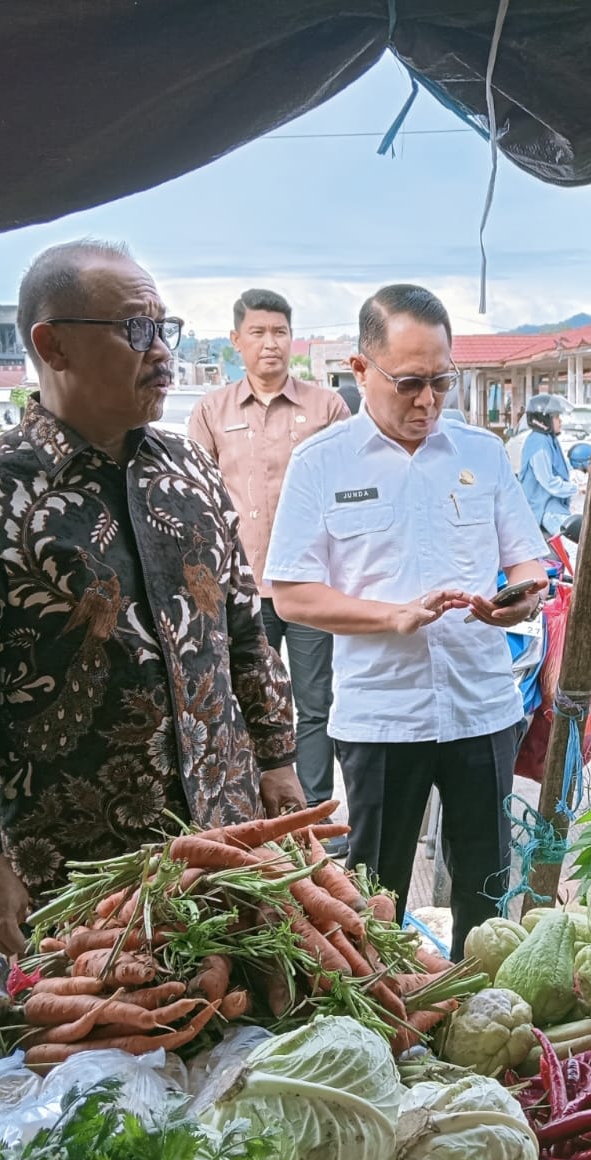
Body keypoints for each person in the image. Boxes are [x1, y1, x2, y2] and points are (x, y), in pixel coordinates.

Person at [0, 239, 303, 955]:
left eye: (164, 327)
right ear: (52, 345)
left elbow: (243, 630)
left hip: (226, 841)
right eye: (135, 328)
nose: (161, 351)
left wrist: (277, 759)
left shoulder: (190, 469)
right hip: (80, 875)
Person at [267, 283, 547, 952]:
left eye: (442, 382)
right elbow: (292, 595)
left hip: (481, 706)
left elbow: (529, 563)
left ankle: (479, 1001)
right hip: (382, 715)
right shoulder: (321, 463)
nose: (427, 401)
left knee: (486, 885)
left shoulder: (481, 453)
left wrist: (519, 598)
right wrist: (388, 617)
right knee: (376, 895)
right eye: (410, 383)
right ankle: (386, 1003)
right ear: (360, 369)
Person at [187, 289, 350, 815]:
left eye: (280, 331)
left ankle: (313, 812)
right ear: (236, 341)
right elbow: (196, 498)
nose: (270, 343)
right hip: (240, 589)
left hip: (309, 585)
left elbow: (349, 491)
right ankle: (251, 815)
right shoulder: (212, 411)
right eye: (257, 332)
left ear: (292, 338)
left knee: (314, 702)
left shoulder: (327, 408)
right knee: (241, 701)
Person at [517, 393, 578, 536]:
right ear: (543, 419)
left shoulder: (550, 439)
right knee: (575, 543)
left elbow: (564, 468)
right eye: (556, 416)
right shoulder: (538, 443)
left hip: (554, 506)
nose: (560, 420)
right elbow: (549, 483)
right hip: (544, 510)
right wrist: (575, 489)